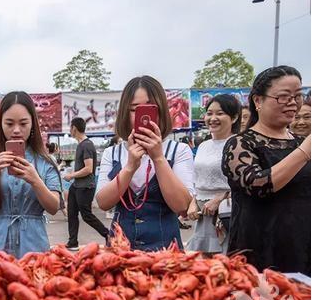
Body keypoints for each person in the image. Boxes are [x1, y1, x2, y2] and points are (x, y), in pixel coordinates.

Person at [222, 66, 310, 275]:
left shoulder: (301, 142)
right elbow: (258, 185)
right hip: (259, 253)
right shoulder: (240, 144)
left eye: (297, 96)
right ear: (258, 101)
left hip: (304, 248)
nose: (292, 102)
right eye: (283, 97)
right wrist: (304, 152)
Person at [96, 75, 194, 251]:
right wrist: (130, 167)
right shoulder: (113, 153)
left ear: (161, 110)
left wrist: (158, 158)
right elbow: (103, 202)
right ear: (125, 113)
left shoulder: (179, 150)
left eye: (150, 108)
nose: (143, 117)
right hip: (120, 250)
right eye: (134, 109)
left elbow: (181, 206)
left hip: (166, 253)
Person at [0, 91, 62, 258]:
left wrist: (35, 180)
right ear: (0, 125)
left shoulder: (45, 162)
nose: (16, 130)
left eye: (23, 123)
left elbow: (53, 207)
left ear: (33, 124)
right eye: (9, 123)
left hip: (34, 246)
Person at [186, 94, 241, 254]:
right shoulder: (203, 145)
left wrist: (220, 199)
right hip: (203, 215)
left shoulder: (240, 144)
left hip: (228, 216)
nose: (213, 118)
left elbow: (246, 183)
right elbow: (198, 179)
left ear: (234, 117)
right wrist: (193, 202)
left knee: (226, 266)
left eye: (220, 113)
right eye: (209, 113)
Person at [64, 117, 109, 250]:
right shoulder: (81, 145)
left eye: (70, 128)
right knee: (72, 213)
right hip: (77, 185)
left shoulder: (87, 145)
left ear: (74, 128)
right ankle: (73, 242)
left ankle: (108, 234)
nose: (70, 130)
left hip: (85, 186)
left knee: (86, 215)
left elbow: (88, 169)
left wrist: (71, 175)